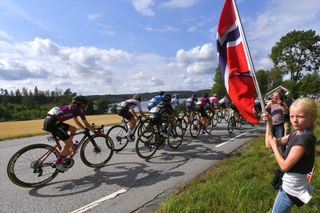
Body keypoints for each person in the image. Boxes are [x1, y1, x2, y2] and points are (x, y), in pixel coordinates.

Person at [263, 97, 317, 212]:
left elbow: (284, 166)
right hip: (289, 184)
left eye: (300, 116)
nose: (295, 120)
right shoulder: (296, 133)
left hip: (291, 188)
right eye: (292, 116)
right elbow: (269, 143)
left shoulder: (304, 139)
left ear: (312, 117)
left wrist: (274, 147)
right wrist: (269, 124)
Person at [43, 95, 96, 172]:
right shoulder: (78, 109)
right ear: (81, 104)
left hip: (50, 122)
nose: (86, 106)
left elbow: (77, 122)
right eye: (85, 104)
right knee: (69, 144)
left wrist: (84, 129)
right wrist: (94, 131)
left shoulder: (71, 107)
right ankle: (58, 164)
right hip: (54, 124)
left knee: (73, 129)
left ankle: (69, 147)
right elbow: (87, 124)